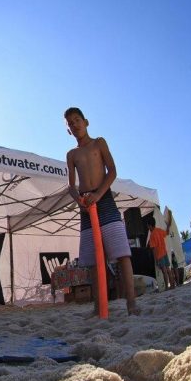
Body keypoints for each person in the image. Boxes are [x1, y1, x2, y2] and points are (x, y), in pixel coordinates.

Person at [65, 107, 139, 316]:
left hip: (104, 199)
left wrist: (98, 194)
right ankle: (99, 307)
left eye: (77, 120)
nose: (74, 124)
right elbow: (70, 185)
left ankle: (131, 304)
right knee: (93, 262)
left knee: (122, 254)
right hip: (86, 205)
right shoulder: (71, 154)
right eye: (70, 123)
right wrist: (80, 202)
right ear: (68, 130)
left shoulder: (99, 143)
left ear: (86, 122)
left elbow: (113, 171)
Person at [147, 216, 176, 290]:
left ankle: (167, 286)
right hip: (165, 253)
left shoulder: (152, 235)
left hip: (159, 255)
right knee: (168, 270)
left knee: (164, 272)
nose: (148, 227)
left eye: (148, 226)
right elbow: (167, 233)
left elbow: (153, 249)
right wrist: (168, 226)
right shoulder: (159, 230)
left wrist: (156, 260)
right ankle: (172, 285)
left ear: (150, 225)